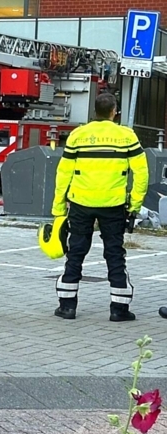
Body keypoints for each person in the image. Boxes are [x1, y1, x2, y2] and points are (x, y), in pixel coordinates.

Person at [52, 92, 148, 322]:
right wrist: (134, 204)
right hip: (113, 205)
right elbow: (142, 173)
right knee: (114, 254)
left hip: (80, 203)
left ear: (94, 111)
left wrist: (58, 208)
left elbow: (63, 173)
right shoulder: (126, 136)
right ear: (114, 111)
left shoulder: (78, 135)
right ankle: (119, 309)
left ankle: (67, 307)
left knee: (76, 252)